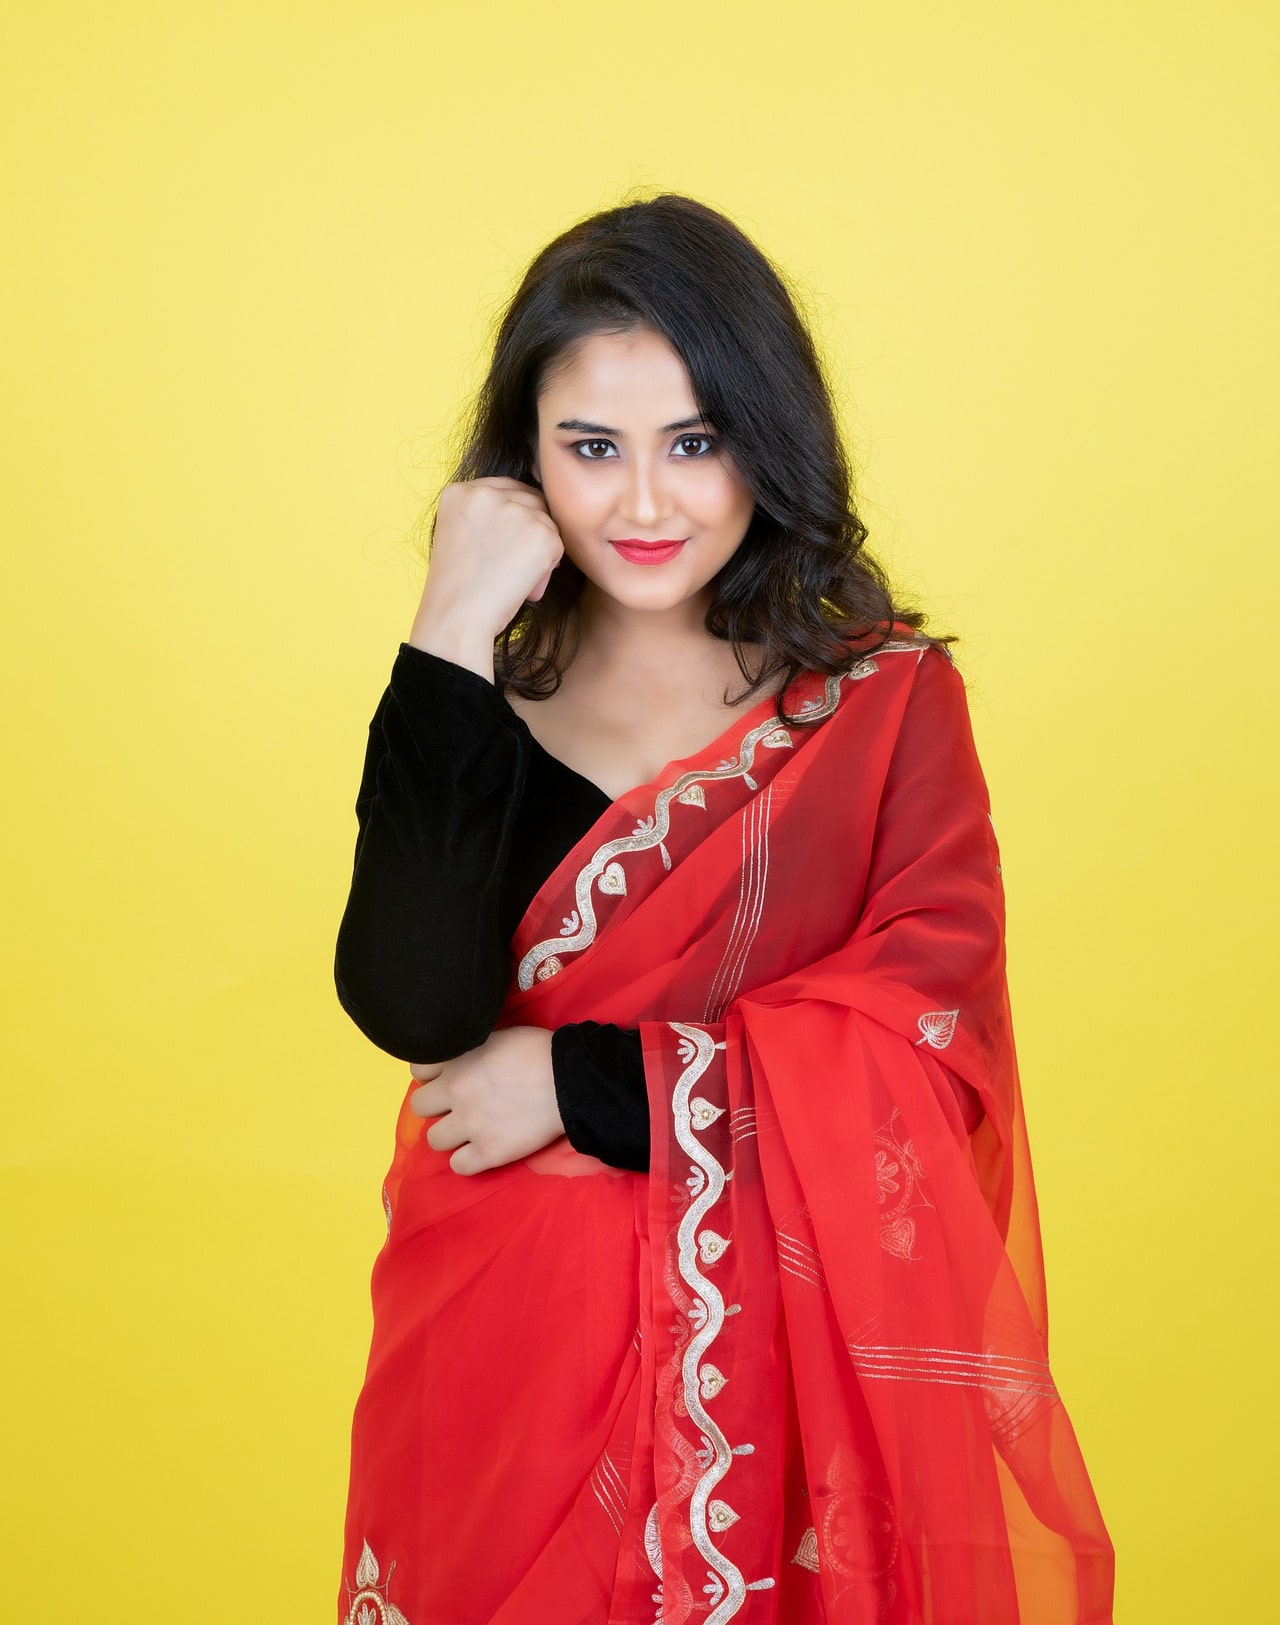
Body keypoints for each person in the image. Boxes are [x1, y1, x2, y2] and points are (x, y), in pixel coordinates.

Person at [332, 192, 1115, 1624]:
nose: (644, 504)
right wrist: (447, 630)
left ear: (768, 438)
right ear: (522, 462)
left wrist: (585, 1082)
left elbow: (929, 1044)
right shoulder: (478, 691)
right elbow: (414, 1007)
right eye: (591, 448)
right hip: (506, 1360)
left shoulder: (879, 704)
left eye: (694, 443)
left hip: (789, 1364)